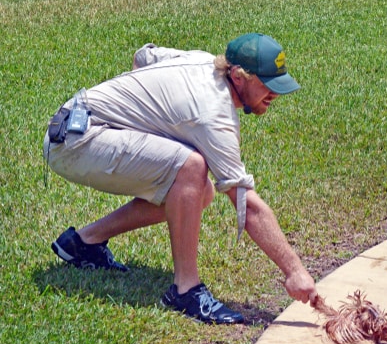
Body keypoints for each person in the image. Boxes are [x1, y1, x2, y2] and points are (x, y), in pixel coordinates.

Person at [43, 33, 319, 324]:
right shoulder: (214, 115)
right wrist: (295, 271)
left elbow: (143, 56)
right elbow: (247, 206)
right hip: (75, 142)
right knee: (191, 167)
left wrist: (147, 115)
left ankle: (83, 243)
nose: (275, 95)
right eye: (267, 85)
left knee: (201, 192)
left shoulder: (201, 61)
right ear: (238, 77)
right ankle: (186, 290)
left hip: (73, 122)